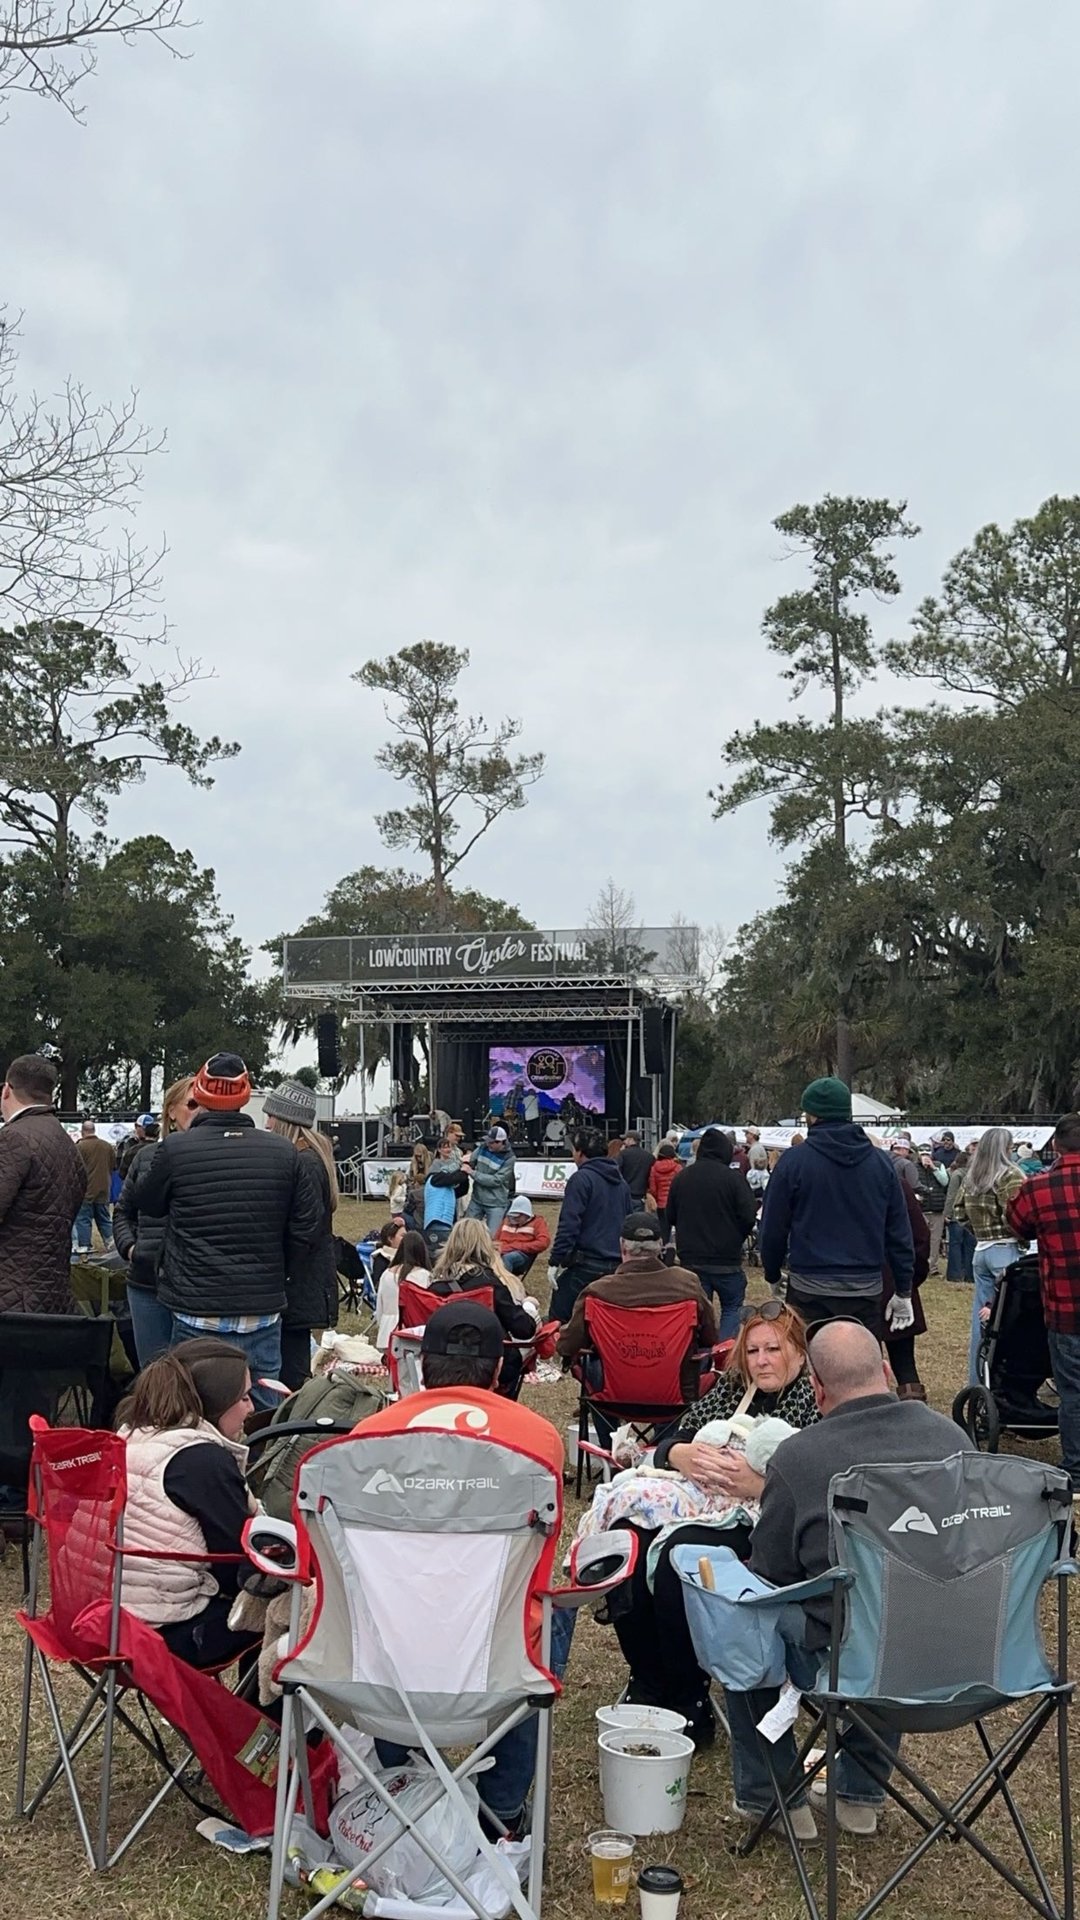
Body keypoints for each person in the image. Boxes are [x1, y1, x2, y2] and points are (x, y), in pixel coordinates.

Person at [727, 1321, 976, 1840]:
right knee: (892, 1603)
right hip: (961, 1655)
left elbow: (770, 1574)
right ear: (886, 1371)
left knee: (743, 1619)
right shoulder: (954, 1439)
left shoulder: (801, 1457)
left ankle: (774, 1799)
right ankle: (858, 1792)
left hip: (852, 1663)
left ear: (816, 1388)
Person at [357, 1301, 571, 1840]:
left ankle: (399, 1785)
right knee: (553, 1608)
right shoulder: (539, 1437)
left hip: (383, 1668)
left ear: (420, 1366)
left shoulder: (366, 1437)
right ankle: (501, 1812)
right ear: (499, 1371)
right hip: (496, 1666)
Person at [606, 1303, 819, 1744]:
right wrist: (680, 1453)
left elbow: (818, 1484)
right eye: (754, 1350)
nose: (762, 1360)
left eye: (774, 1349)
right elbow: (670, 1439)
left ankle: (689, 1696)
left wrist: (761, 1485)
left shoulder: (810, 1401)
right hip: (706, 1501)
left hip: (766, 1517)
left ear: (799, 1353)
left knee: (676, 1558)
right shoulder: (733, 1390)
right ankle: (648, 1677)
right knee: (627, 1544)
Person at [136, 1052, 321, 1410]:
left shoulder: (175, 1149)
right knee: (264, 1409)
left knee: (195, 1409)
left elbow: (149, 1205)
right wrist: (279, 1273)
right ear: (245, 1095)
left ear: (201, 1093)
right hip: (261, 1308)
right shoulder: (284, 1152)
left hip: (196, 1306)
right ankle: (263, 1465)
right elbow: (306, 1231)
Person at [115, 1337, 257, 1669]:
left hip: (111, 1620)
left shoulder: (130, 1434)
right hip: (167, 1631)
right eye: (244, 1397)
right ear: (218, 1404)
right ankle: (272, 1720)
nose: (251, 1408)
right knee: (289, 1607)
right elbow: (237, 1571)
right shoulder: (204, 1461)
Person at [758, 1078, 914, 1339]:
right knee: (859, 1369)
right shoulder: (880, 1163)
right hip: (864, 1288)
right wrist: (903, 1288)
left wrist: (772, 1273)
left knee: (809, 1368)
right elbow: (898, 1231)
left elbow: (772, 1227)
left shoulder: (793, 1162)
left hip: (810, 1287)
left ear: (812, 1115)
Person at [556, 1212, 716, 1402]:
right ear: (660, 1246)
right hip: (676, 1396)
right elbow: (710, 1336)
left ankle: (607, 1431)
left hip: (610, 1397)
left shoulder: (598, 1291)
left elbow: (568, 1345)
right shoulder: (687, 1284)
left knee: (590, 1362)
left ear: (623, 1246)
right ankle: (667, 1432)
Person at [1007, 1112, 1080, 1488]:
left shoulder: (1038, 1188)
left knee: (1073, 1389)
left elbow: (1016, 1224)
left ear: (1055, 1145)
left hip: (1067, 1307)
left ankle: (1077, 1469)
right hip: (1064, 1306)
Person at [113, 1074, 198, 1364]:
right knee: (153, 1373)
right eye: (192, 1103)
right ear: (171, 1112)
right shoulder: (146, 1156)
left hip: (196, 1287)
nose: (199, 1111)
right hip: (146, 1282)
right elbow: (123, 1211)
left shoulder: (212, 1157)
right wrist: (131, 1249)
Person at [263, 1080, 340, 1390]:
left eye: (271, 1116)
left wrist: (282, 1270)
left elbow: (304, 1228)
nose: (266, 1123)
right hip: (305, 1281)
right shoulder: (311, 1157)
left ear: (286, 1120)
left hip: (299, 1283)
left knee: (291, 1370)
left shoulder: (304, 1164)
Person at [0, 1053, 85, 1313]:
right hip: (53, 1291)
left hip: (11, 1294)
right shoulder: (67, 1143)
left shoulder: (13, 1139)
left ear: (6, 1091)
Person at [665, 1128, 758, 1340]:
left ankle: (699, 1360)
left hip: (692, 1259)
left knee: (696, 1315)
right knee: (732, 1309)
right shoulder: (733, 1179)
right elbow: (748, 1216)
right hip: (727, 1259)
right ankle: (724, 1358)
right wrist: (737, 1237)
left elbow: (670, 1216)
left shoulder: (682, 1178)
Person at [431, 1217, 540, 1396]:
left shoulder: (434, 1285)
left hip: (440, 1367)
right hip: (484, 1368)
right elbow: (523, 1329)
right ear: (485, 1245)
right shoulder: (489, 1284)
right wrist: (528, 1308)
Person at [954, 1127, 1026, 1384]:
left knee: (982, 1323)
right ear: (1006, 1149)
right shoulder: (1011, 1175)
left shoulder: (972, 1175)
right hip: (1006, 1251)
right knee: (1013, 1319)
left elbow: (959, 1212)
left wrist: (980, 1232)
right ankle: (1009, 1382)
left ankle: (978, 1380)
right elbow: (1017, 1215)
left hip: (981, 1250)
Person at [548, 1128, 635, 1322]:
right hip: (616, 1264)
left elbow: (569, 1224)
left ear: (580, 1152)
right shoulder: (621, 1183)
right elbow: (630, 1222)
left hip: (587, 1263)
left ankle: (570, 1352)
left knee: (560, 1316)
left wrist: (556, 1259)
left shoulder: (581, 1179)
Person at [374, 1228, 433, 1350]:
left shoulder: (386, 1274)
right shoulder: (425, 1276)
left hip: (386, 1333)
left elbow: (379, 1306)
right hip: (412, 1333)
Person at [74, 1118, 116, 1254]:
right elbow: (112, 1166)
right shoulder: (107, 1146)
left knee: (83, 1219)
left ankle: (85, 1245)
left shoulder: (80, 1147)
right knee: (104, 1218)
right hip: (104, 1188)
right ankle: (111, 1244)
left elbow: (76, 1169)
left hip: (86, 1190)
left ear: (82, 1132)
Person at [422, 1139, 470, 1256]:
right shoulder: (435, 1178)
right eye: (444, 1147)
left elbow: (462, 1190)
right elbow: (453, 1178)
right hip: (437, 1220)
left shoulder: (446, 1187)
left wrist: (465, 1172)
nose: (447, 1150)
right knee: (440, 1254)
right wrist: (463, 1168)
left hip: (445, 1221)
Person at [467, 1125, 517, 1233]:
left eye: (492, 1142)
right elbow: (471, 1160)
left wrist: (473, 1173)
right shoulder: (483, 1147)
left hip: (496, 1204)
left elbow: (496, 1180)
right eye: (488, 1141)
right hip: (477, 1199)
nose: (488, 1144)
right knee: (467, 1232)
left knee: (493, 1237)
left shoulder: (510, 1158)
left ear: (501, 1142)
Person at [494, 1193, 551, 1278]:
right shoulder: (506, 1220)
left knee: (508, 1258)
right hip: (501, 1251)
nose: (513, 1220)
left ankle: (504, 1285)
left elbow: (543, 1243)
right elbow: (495, 1239)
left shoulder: (538, 1222)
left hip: (522, 1255)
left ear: (526, 1214)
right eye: (512, 1216)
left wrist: (516, 1246)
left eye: (517, 1217)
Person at [914, 1148, 949, 1274]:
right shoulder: (913, 1167)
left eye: (927, 1154)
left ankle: (932, 1267)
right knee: (920, 1239)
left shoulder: (939, 1165)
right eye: (922, 1154)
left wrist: (934, 1168)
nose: (925, 1156)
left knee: (935, 1240)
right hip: (921, 1209)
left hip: (936, 1209)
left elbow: (944, 1181)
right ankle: (919, 1266)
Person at [944, 1147, 976, 1284]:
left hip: (957, 1214)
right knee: (970, 1245)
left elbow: (952, 1195)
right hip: (971, 1214)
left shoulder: (957, 1174)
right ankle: (970, 1275)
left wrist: (947, 1214)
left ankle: (955, 1274)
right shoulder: (974, 1174)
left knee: (955, 1244)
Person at [646, 1141, 681, 1236]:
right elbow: (680, 1186)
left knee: (663, 1228)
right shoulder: (677, 1168)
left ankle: (664, 1247)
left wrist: (656, 1198)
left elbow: (653, 1188)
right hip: (675, 1203)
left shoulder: (654, 1168)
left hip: (661, 1204)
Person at [117, 1113, 159, 1182]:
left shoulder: (158, 1145)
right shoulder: (127, 1142)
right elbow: (120, 1167)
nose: (146, 1131)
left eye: (149, 1128)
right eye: (144, 1128)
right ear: (136, 1126)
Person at [618, 1132, 654, 1204]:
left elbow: (617, 1172)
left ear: (631, 1140)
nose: (624, 1141)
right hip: (642, 1195)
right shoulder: (649, 1156)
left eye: (625, 1139)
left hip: (626, 1193)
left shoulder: (623, 1154)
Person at [370, 1219, 405, 1291]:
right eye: (403, 1236)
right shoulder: (381, 1259)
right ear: (390, 1239)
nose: (406, 1238)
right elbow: (378, 1287)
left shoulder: (408, 1255)